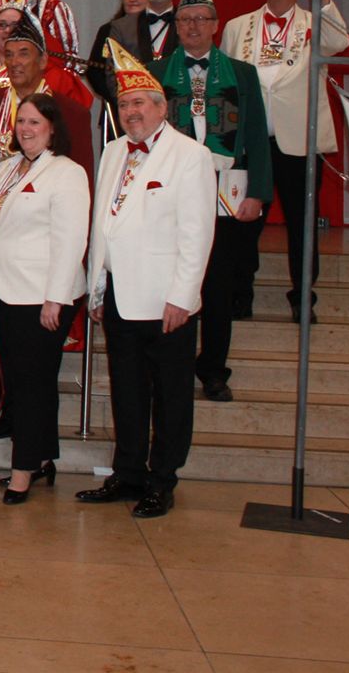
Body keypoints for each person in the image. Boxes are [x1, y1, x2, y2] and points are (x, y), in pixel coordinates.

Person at [76, 42, 216, 519]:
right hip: (119, 294)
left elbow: (197, 234)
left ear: (161, 107)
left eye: (139, 103)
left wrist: (183, 296)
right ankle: (128, 472)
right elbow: (104, 223)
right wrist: (98, 287)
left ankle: (162, 479)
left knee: (171, 394)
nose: (130, 112)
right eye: (124, 105)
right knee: (126, 389)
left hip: (165, 299)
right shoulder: (114, 151)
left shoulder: (191, 156)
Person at [219, 0, 349, 322]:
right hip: (249, 143)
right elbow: (225, 84)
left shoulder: (314, 21)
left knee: (302, 224)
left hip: (299, 142)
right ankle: (240, 294)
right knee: (242, 224)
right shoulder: (237, 26)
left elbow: (340, 43)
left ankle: (302, 298)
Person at [155, 0, 271, 403]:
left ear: (216, 25)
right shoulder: (155, 71)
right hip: (171, 191)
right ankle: (173, 364)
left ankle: (214, 369)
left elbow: (256, 135)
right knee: (172, 279)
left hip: (226, 191)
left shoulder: (242, 73)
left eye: (201, 19)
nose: (193, 27)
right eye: (185, 19)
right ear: (176, 25)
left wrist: (258, 192)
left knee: (218, 286)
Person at [0, 94, 89, 504]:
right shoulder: (7, 167)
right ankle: (43, 458)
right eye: (21, 121)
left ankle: (22, 469)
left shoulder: (67, 173)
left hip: (44, 296)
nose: (26, 129)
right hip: (7, 292)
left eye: (34, 122)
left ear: (52, 128)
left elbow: (71, 240)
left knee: (30, 384)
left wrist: (55, 299)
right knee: (29, 380)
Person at [0, 12, 95, 173]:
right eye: (9, 55)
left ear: (43, 61)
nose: (14, 62)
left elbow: (82, 178)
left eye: (23, 54)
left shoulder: (72, 114)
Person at [90, 0, 185, 105]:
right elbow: (111, 77)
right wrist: (135, 107)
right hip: (133, 113)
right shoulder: (119, 28)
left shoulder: (190, 24)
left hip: (178, 111)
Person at [81, 0, 151, 123]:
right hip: (116, 112)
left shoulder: (162, 31)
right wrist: (120, 99)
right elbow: (94, 72)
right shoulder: (107, 30)